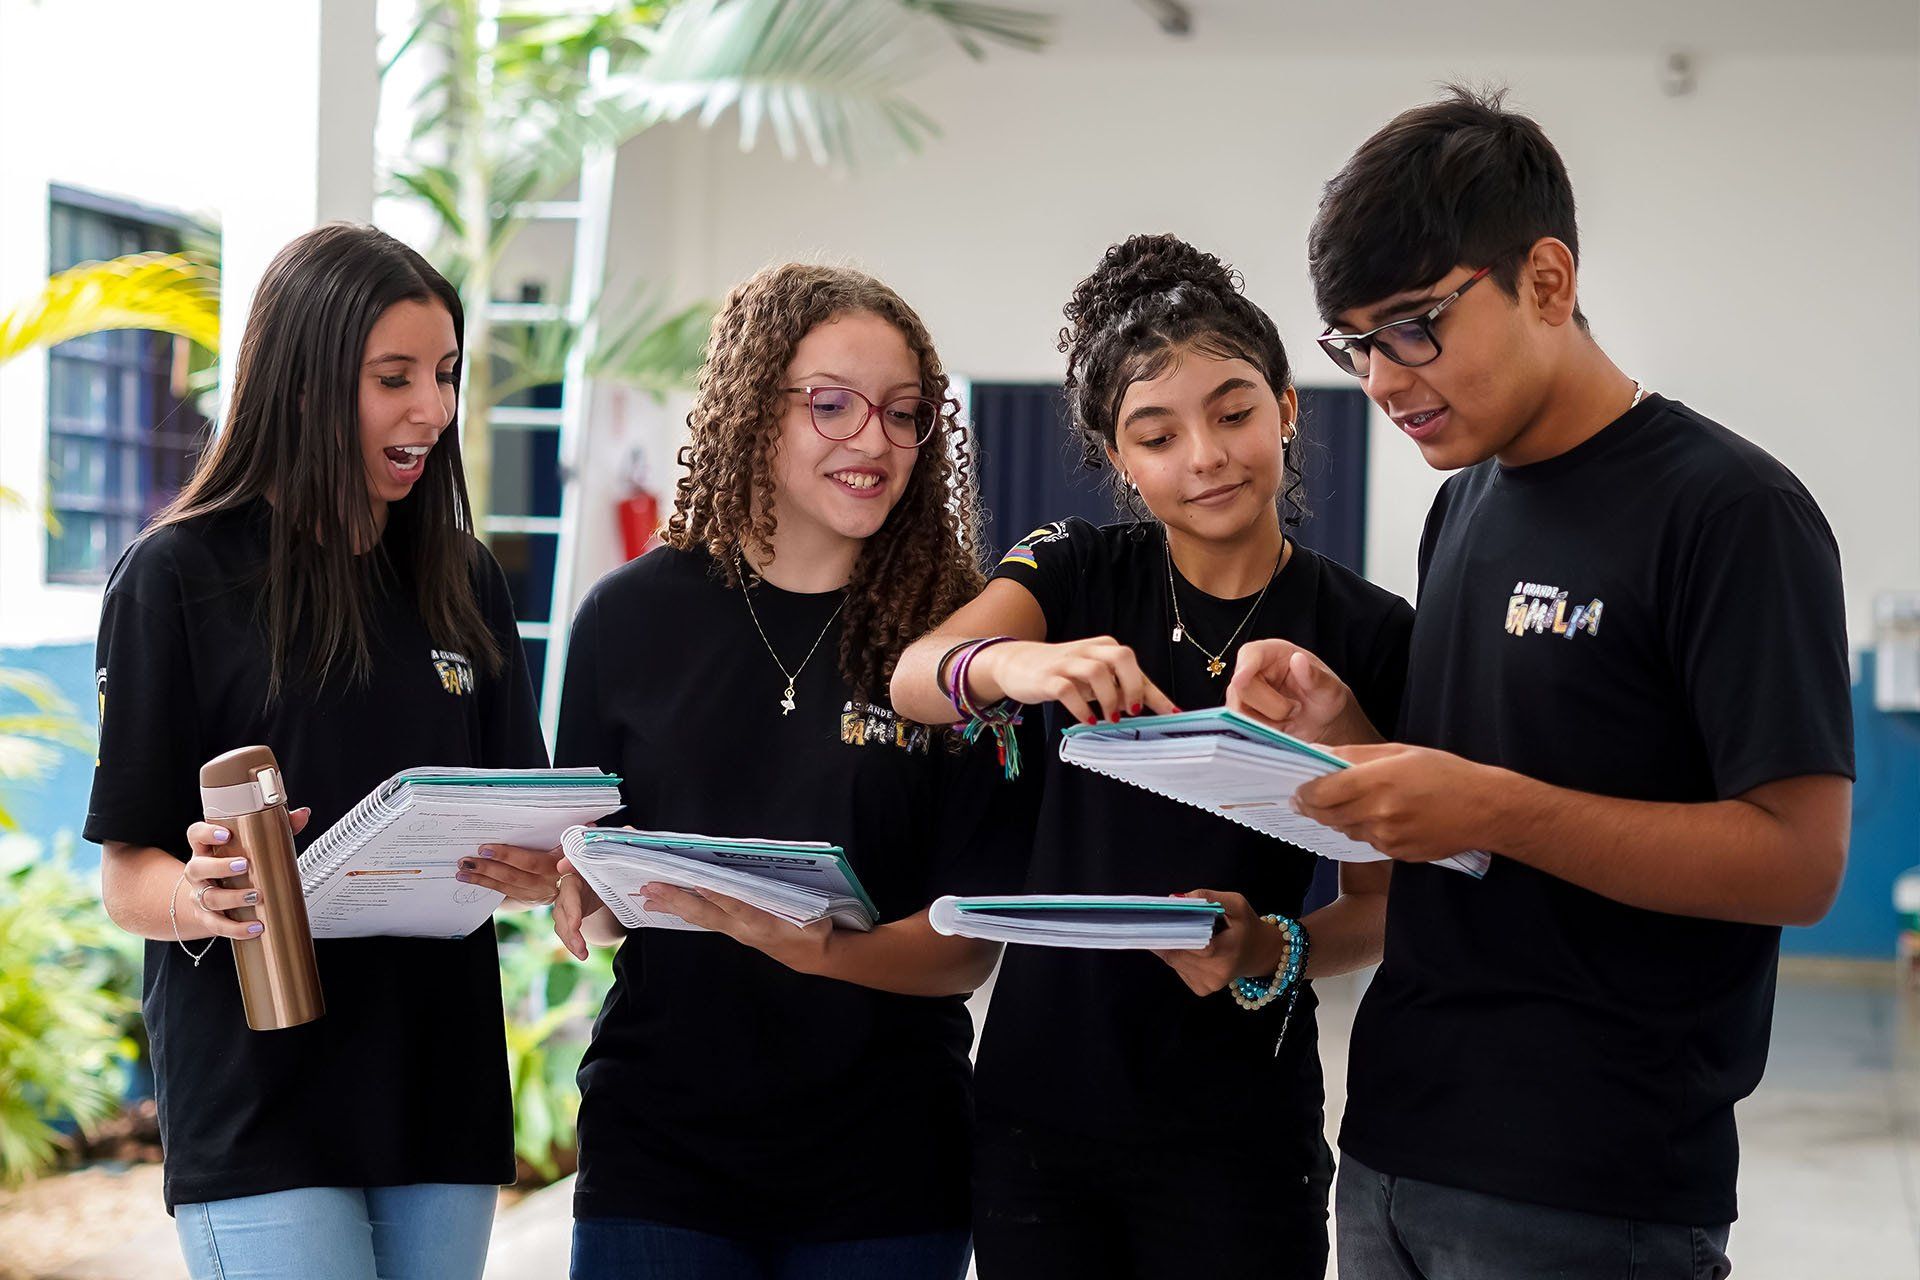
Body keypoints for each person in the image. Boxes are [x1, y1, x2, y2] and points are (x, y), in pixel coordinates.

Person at [1230, 86, 1853, 1279]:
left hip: (1595, 1183)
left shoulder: (1731, 512)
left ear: (1548, 281)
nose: (1385, 377)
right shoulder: (1462, 504)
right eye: (1356, 343)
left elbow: (1798, 859)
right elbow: (1459, 814)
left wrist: (1495, 806)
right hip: (1397, 1145)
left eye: (1414, 324)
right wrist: (1342, 726)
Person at [891, 233, 1413, 1279]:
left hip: (1241, 1119)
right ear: (1120, 460)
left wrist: (1266, 946)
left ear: (1288, 406)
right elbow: (918, 672)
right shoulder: (1074, 569)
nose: (1207, 454)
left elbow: (1383, 903)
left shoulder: (1369, 631)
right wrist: (1015, 664)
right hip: (1040, 1110)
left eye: (1233, 411)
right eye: (1158, 433)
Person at [87, 223, 559, 1279]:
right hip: (260, 1086)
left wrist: (536, 867)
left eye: (442, 374)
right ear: (301, 384)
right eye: (393, 378)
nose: (431, 410)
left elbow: (518, 814)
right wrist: (203, 895)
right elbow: (126, 874)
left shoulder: (464, 579)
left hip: (436, 1075)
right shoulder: (175, 577)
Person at [549, 262, 1031, 1280]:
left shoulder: (959, 644)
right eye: (832, 405)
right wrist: (575, 893)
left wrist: (818, 951)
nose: (875, 440)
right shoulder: (627, 619)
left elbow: (966, 946)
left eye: (904, 414)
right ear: (749, 404)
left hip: (885, 1165)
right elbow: (595, 900)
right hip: (660, 1152)